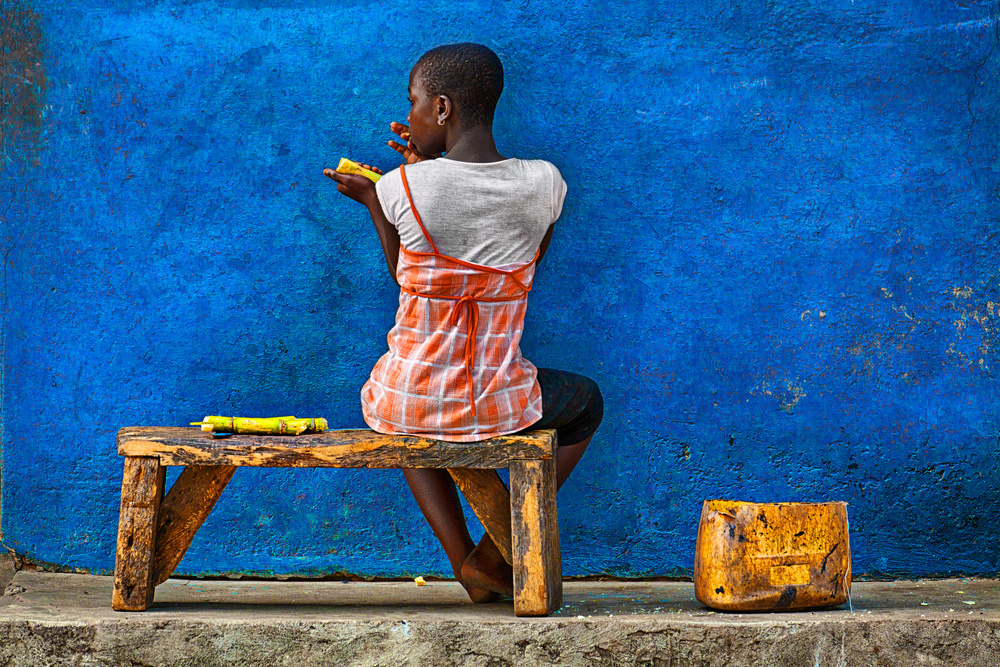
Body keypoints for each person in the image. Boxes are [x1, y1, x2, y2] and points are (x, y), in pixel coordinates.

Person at [324, 43, 603, 603]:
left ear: (444, 109)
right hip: (501, 400)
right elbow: (520, 269)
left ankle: (464, 560)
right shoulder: (545, 183)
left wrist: (379, 201)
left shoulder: (399, 189)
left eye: (417, 103)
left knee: (403, 415)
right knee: (585, 401)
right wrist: (422, 176)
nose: (412, 117)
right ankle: (492, 557)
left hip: (409, 397)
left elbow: (408, 275)